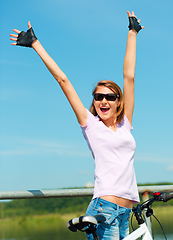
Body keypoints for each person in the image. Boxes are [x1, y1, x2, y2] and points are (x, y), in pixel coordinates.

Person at [10, 11, 144, 240]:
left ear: (118, 102)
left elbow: (129, 77)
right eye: (98, 96)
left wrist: (132, 33)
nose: (103, 100)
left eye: (110, 97)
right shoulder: (90, 124)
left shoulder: (125, 124)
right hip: (105, 209)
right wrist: (35, 44)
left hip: (127, 210)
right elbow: (63, 80)